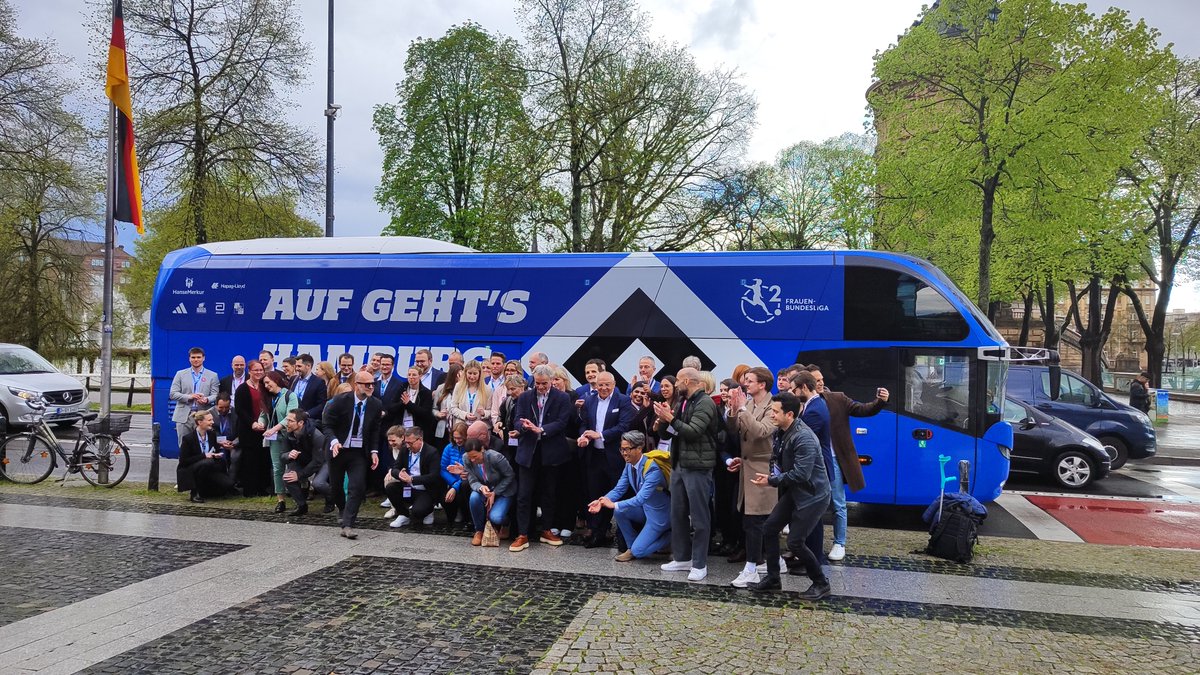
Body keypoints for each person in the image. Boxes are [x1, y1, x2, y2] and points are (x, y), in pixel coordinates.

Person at [750, 392, 832, 600]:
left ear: (790, 414)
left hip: (813, 495)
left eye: (776, 412)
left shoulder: (804, 437)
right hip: (796, 491)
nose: (772, 415)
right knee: (769, 528)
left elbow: (801, 474)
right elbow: (776, 458)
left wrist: (772, 481)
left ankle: (821, 583)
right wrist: (771, 474)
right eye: (772, 411)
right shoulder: (782, 431)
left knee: (795, 542)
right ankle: (773, 578)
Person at [807, 364, 889, 561]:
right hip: (810, 460)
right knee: (808, 503)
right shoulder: (802, 402)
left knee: (838, 502)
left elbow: (862, 409)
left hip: (833, 459)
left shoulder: (837, 398)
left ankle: (839, 543)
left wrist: (880, 401)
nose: (821, 383)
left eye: (821, 380)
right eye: (816, 380)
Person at [656, 367, 719, 582]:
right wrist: (663, 420)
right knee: (678, 512)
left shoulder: (705, 402)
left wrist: (671, 419)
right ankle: (682, 557)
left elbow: (693, 431)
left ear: (688, 381)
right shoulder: (683, 401)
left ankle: (700, 563)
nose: (675, 385)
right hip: (679, 464)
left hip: (698, 466)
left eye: (678, 381)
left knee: (700, 516)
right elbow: (671, 432)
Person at [509, 364, 572, 552]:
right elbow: (517, 418)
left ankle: (546, 529)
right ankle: (522, 534)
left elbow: (562, 422)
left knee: (549, 493)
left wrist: (542, 430)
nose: (541, 387)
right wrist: (523, 427)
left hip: (551, 452)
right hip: (528, 451)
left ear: (552, 381)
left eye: (544, 383)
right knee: (524, 494)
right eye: (538, 383)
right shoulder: (526, 396)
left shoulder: (562, 397)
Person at [588, 431, 670, 561]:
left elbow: (640, 498)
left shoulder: (652, 469)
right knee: (619, 511)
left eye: (627, 449)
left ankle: (671, 537)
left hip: (659, 516)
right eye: (622, 449)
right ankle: (631, 547)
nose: (624, 453)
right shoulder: (629, 465)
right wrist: (602, 501)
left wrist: (614, 504)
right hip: (644, 509)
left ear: (639, 448)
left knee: (639, 552)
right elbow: (619, 489)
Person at [321, 371, 383, 539]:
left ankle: (348, 524)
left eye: (373, 384)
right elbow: (326, 425)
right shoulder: (340, 401)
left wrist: (374, 451)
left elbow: (376, 430)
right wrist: (334, 441)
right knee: (336, 486)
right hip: (338, 449)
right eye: (367, 384)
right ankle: (342, 508)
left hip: (358, 452)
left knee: (357, 486)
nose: (371, 387)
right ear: (357, 385)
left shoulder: (376, 404)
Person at [577, 371, 635, 548]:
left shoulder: (623, 401)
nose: (603, 388)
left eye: (606, 384)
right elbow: (584, 424)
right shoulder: (590, 400)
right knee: (595, 493)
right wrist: (584, 436)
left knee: (617, 494)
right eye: (600, 384)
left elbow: (624, 426)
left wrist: (600, 435)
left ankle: (621, 535)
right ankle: (597, 532)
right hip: (594, 456)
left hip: (615, 457)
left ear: (614, 383)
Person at [790, 370, 834, 566]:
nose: (792, 393)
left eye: (794, 390)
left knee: (813, 519)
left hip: (817, 470)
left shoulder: (815, 409)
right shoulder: (812, 405)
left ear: (805, 388)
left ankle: (813, 558)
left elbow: (801, 438)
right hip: (816, 468)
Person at [452, 437, 516, 545]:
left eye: (475, 456)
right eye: (470, 457)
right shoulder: (466, 458)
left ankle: (506, 523)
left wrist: (495, 492)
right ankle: (479, 530)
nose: (472, 460)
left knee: (496, 517)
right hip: (485, 489)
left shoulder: (495, 457)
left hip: (503, 490)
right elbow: (472, 480)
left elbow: (510, 476)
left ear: (482, 449)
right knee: (474, 497)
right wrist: (481, 487)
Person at [257, 371, 299, 513]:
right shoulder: (268, 397)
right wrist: (260, 423)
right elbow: (263, 415)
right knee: (277, 468)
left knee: (293, 466)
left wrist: (274, 428)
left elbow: (290, 417)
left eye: (269, 382)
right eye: (265, 384)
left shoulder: (290, 396)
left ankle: (298, 497)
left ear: (277, 380)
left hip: (289, 436)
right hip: (274, 438)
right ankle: (280, 499)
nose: (267, 386)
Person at [384, 426, 441, 529]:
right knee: (390, 487)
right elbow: (395, 468)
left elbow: (434, 476)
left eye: (411, 443)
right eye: (406, 442)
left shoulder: (432, 452)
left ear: (420, 440)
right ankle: (403, 515)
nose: (408, 445)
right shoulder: (405, 450)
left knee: (417, 512)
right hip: (408, 487)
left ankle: (429, 510)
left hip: (425, 490)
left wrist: (412, 479)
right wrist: (400, 474)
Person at [177, 410, 233, 502]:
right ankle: (194, 492)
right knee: (206, 462)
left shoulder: (211, 434)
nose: (212, 422)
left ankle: (207, 490)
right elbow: (183, 461)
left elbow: (215, 449)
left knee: (228, 484)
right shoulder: (188, 439)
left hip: (209, 467)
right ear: (200, 422)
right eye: (209, 420)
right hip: (191, 468)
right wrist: (204, 456)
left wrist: (217, 454)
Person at [169, 347, 220, 448]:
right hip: (184, 416)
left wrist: (207, 399)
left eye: (198, 357)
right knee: (183, 446)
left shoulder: (212, 375)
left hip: (203, 415)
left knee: (203, 444)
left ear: (203, 358)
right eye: (193, 357)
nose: (196, 359)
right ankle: (184, 464)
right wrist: (189, 396)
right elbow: (173, 394)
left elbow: (215, 395)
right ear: (189, 359)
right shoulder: (180, 374)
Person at [281, 409, 326, 516]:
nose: (287, 423)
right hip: (303, 461)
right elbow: (282, 455)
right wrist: (288, 455)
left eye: (291, 421)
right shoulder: (288, 433)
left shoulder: (316, 435)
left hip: (324, 461)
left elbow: (318, 461)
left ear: (300, 423)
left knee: (318, 483)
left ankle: (330, 499)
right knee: (288, 476)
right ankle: (301, 505)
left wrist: (300, 475)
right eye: (287, 420)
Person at [234, 360, 268, 496]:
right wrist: (252, 423)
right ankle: (250, 489)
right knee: (249, 460)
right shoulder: (242, 388)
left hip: (265, 429)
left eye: (261, 370)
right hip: (248, 430)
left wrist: (264, 423)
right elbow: (240, 410)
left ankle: (263, 488)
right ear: (250, 372)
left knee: (264, 459)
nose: (259, 372)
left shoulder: (266, 386)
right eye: (256, 370)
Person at [440, 422, 472, 529]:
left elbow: (468, 472)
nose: (458, 440)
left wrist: (455, 487)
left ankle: (466, 516)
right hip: (451, 482)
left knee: (463, 491)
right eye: (455, 437)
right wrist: (452, 483)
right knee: (445, 497)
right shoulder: (448, 448)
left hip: (464, 483)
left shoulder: (470, 449)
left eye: (460, 438)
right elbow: (443, 469)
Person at [397, 366, 436, 441]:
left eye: (414, 375)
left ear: (420, 376)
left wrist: (409, 404)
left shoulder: (426, 392)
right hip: (401, 427)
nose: (411, 377)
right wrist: (402, 403)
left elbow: (425, 413)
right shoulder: (401, 388)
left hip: (417, 429)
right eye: (409, 375)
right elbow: (392, 407)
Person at [449, 360, 491, 427]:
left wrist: (484, 413)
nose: (472, 376)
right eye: (470, 373)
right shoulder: (458, 386)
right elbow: (453, 408)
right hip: (461, 426)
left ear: (479, 374)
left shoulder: (487, 389)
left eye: (475, 374)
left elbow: (491, 411)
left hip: (479, 427)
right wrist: (465, 415)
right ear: (465, 373)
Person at [432, 363, 463, 446]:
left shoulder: (464, 389)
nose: (458, 378)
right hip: (443, 427)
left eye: (460, 375)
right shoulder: (441, 388)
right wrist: (438, 413)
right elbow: (434, 408)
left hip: (459, 427)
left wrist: (461, 383)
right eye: (457, 375)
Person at [209, 393, 239, 478]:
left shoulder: (236, 412)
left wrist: (234, 443)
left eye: (227, 407)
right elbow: (210, 433)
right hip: (217, 443)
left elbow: (240, 431)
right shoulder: (209, 414)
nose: (224, 410)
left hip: (233, 443)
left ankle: (232, 481)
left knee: (235, 457)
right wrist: (220, 443)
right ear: (216, 405)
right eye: (221, 407)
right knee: (221, 457)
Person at [293, 354, 328, 422]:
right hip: (292, 420)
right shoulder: (294, 379)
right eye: (296, 366)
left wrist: (307, 414)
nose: (296, 369)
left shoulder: (319, 382)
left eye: (299, 366)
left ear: (308, 366)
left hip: (308, 421)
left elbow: (322, 404)